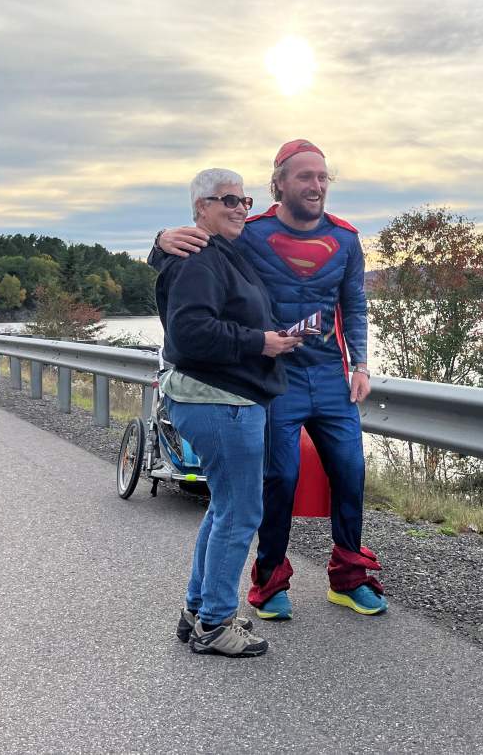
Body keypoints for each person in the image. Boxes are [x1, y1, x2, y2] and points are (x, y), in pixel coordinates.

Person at [153, 139, 388, 620]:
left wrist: (360, 365)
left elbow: (355, 305)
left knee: (350, 473)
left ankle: (348, 577)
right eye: (304, 176)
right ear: (278, 183)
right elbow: (197, 253)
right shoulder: (250, 232)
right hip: (273, 376)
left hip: (329, 376)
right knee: (277, 478)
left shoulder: (345, 238)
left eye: (322, 177)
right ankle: (269, 582)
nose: (316, 185)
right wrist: (159, 242)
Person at [155, 168, 302, 657]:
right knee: (240, 512)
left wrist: (274, 335)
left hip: (223, 396)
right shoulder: (198, 257)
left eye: (244, 200)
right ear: (201, 209)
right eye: (227, 201)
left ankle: (198, 610)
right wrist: (261, 342)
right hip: (220, 400)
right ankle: (217, 623)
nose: (240, 208)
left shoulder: (216, 253)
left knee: (223, 508)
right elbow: (192, 332)